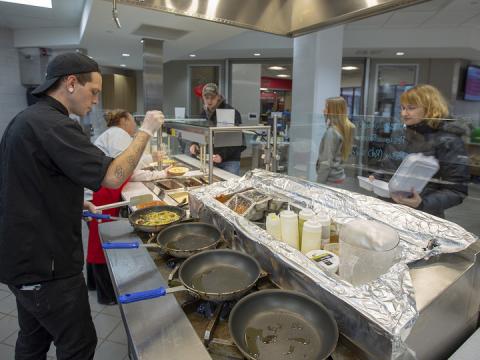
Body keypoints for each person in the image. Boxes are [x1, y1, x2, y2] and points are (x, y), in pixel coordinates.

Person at [0, 52, 164, 360]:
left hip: (19, 261)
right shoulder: (55, 124)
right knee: (78, 345)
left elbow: (29, 185)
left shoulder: (28, 119)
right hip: (46, 266)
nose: (95, 101)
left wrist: (72, 203)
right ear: (71, 83)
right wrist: (146, 131)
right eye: (94, 92)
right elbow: (114, 176)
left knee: (33, 341)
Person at [86, 109, 168, 305]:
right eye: (133, 120)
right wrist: (159, 174)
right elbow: (125, 170)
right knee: (100, 245)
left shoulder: (115, 135)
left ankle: (94, 284)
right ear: (123, 120)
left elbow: (129, 167)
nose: (135, 125)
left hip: (102, 192)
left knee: (97, 241)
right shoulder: (118, 134)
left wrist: (155, 170)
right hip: (101, 194)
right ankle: (106, 295)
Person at [370, 84, 469, 218]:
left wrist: (422, 203)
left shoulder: (449, 141)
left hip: (423, 216)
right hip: (389, 210)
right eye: (403, 108)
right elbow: (388, 166)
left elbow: (456, 190)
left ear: (430, 109)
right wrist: (377, 177)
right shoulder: (399, 134)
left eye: (411, 108)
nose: (404, 113)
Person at [189, 83, 245, 175]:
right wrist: (194, 143)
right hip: (212, 159)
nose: (209, 101)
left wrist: (222, 155)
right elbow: (199, 132)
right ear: (202, 98)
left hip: (230, 161)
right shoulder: (204, 113)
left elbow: (237, 141)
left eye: (212, 97)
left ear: (218, 97)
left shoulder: (231, 112)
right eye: (206, 98)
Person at [316, 96, 355, 184]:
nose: (323, 110)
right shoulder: (345, 129)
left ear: (333, 110)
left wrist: (318, 185)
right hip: (339, 177)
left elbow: (326, 162)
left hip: (330, 180)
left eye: (326, 107)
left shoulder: (332, 132)